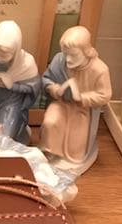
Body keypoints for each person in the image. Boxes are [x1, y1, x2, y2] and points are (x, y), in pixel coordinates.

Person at [40, 25, 112, 172]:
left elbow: (104, 95)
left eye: (73, 55)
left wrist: (82, 98)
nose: (68, 59)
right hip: (61, 103)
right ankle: (50, 153)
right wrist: (55, 89)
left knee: (76, 137)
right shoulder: (59, 60)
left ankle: (73, 157)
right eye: (65, 54)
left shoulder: (99, 69)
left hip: (83, 110)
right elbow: (46, 79)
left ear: (86, 51)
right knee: (50, 122)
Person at [0, 20, 41, 143]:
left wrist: (13, 86)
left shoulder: (26, 63)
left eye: (4, 55)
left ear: (16, 49)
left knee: (5, 136)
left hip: (12, 102)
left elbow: (33, 87)